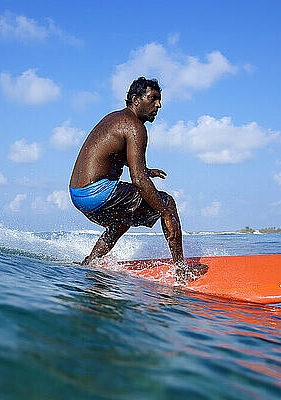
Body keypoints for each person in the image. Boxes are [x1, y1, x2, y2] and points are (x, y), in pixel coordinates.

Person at [69, 77, 206, 281]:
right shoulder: (135, 127)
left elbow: (114, 155)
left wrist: (145, 170)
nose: (158, 105)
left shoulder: (115, 118)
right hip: (98, 192)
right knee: (167, 202)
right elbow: (138, 180)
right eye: (153, 99)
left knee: (121, 220)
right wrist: (163, 211)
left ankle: (90, 261)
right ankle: (181, 270)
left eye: (159, 100)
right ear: (136, 99)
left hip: (78, 194)